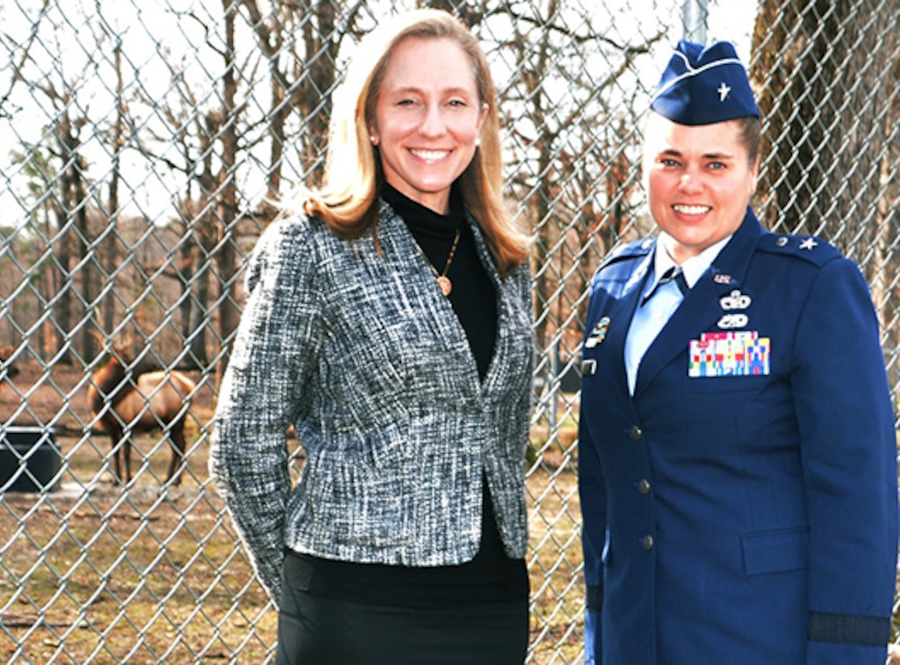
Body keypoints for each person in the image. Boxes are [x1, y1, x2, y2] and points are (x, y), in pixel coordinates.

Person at [208, 9, 535, 665]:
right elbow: (243, 442)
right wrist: (308, 585)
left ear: (482, 118)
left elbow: (502, 433)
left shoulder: (506, 258)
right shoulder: (312, 246)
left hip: (492, 608)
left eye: (454, 102)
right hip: (356, 612)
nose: (433, 125)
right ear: (370, 118)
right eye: (407, 101)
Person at [578, 39, 899, 665]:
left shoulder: (808, 287)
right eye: (670, 159)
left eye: (715, 163)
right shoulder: (612, 289)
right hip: (632, 638)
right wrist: (598, 631)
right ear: (644, 165)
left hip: (757, 641)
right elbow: (604, 485)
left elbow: (857, 497)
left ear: (753, 171)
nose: (689, 183)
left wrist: (844, 655)